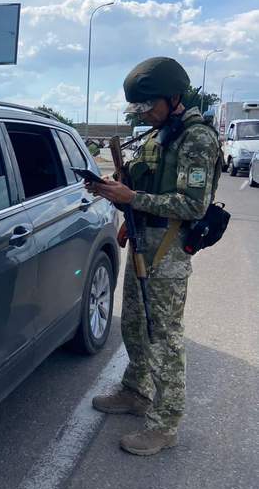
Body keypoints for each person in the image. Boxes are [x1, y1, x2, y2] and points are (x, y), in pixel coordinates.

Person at [86, 57, 221, 456]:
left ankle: (165, 424)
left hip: (169, 251)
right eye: (140, 110)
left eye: (150, 107)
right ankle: (136, 390)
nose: (145, 115)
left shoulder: (195, 138)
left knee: (164, 337)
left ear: (174, 98)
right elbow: (146, 182)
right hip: (145, 241)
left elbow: (194, 205)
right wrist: (118, 189)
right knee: (133, 325)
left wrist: (133, 198)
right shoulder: (160, 134)